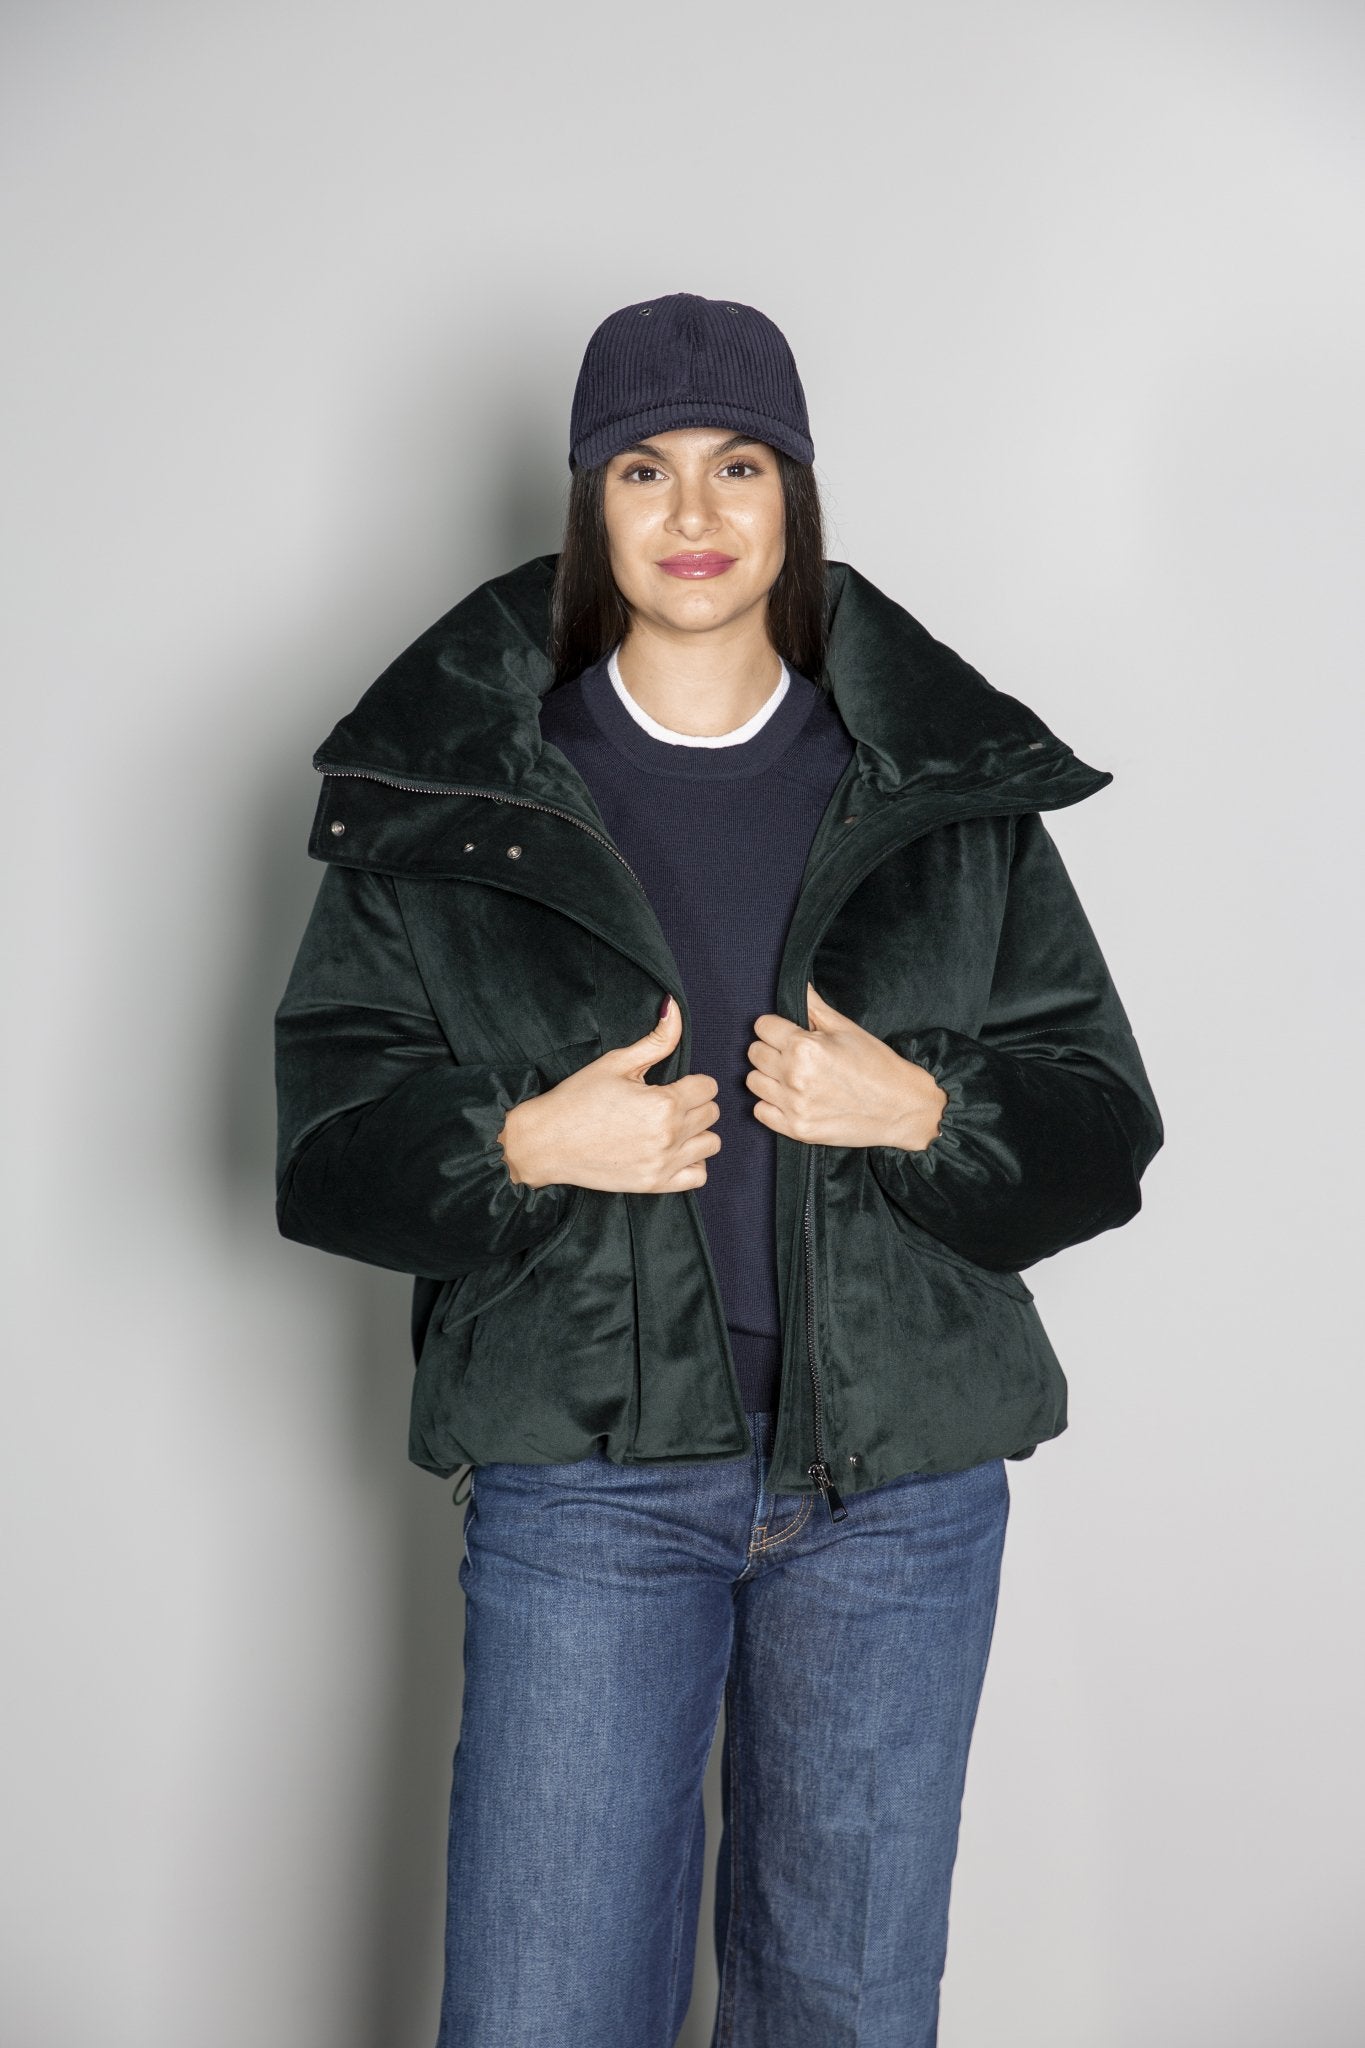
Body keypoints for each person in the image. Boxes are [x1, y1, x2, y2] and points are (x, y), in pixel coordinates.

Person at [273, 291, 1164, 2047]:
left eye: (739, 466)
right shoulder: (452, 800)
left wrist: (922, 1113)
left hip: (898, 1486)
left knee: (847, 2008)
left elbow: (1100, 1123)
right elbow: (324, 1150)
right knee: (543, 2008)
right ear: (588, 506)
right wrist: (522, 1142)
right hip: (588, 1473)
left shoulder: (939, 793)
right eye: (644, 469)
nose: (693, 512)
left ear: (793, 498)